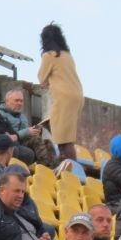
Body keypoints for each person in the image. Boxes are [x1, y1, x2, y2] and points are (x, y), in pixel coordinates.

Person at [36, 23, 83, 163]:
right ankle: (68, 165)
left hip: (63, 98)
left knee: (63, 139)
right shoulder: (67, 55)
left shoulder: (49, 55)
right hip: (77, 96)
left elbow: (41, 78)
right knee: (67, 136)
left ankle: (71, 168)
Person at [0, 86, 56, 167]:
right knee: (36, 141)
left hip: (23, 142)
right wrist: (27, 132)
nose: (20, 103)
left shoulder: (22, 116)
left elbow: (26, 134)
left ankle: (55, 167)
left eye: (21, 101)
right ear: (7, 101)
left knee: (48, 143)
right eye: (16, 100)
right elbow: (7, 134)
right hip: (12, 143)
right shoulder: (0, 114)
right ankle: (46, 167)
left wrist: (35, 132)